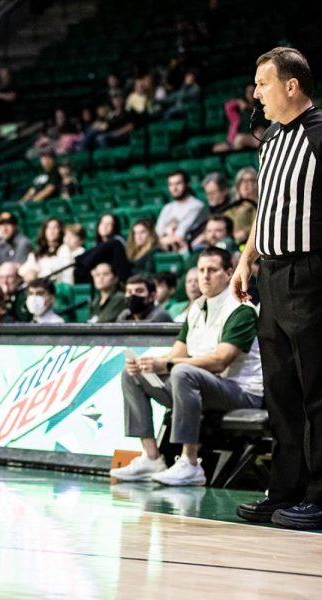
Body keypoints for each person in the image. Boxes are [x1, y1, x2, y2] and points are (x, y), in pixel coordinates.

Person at [232, 48, 322, 529]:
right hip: (269, 274)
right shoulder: (269, 142)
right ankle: (284, 490)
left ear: (292, 86)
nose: (256, 93)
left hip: (309, 274)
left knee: (317, 392)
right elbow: (267, 210)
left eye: (263, 83)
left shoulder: (318, 134)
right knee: (281, 392)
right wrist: (246, 259)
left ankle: (320, 495)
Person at [112, 248, 263, 485]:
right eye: (201, 270)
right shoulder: (196, 308)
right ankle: (151, 457)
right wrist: (148, 364)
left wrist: (168, 364)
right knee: (132, 374)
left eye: (212, 270)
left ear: (229, 273)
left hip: (241, 392)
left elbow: (219, 361)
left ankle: (190, 463)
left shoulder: (241, 308)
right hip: (201, 386)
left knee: (182, 371)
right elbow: (176, 354)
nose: (205, 276)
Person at [156, 170, 209, 252]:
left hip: (185, 250)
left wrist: (161, 240)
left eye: (178, 183)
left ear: (187, 184)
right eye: (171, 184)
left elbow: (181, 236)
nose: (174, 188)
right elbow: (157, 233)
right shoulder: (167, 208)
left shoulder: (196, 206)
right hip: (164, 248)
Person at [21, 217, 73, 284]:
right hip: (37, 284)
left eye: (55, 228)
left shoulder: (64, 249)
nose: (51, 231)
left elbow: (66, 273)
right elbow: (24, 269)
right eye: (48, 228)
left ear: (60, 231)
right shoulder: (38, 252)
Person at [230, 167, 259, 244]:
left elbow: (261, 224)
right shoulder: (233, 206)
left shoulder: (259, 205)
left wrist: (245, 232)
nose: (245, 184)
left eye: (250, 180)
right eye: (242, 181)